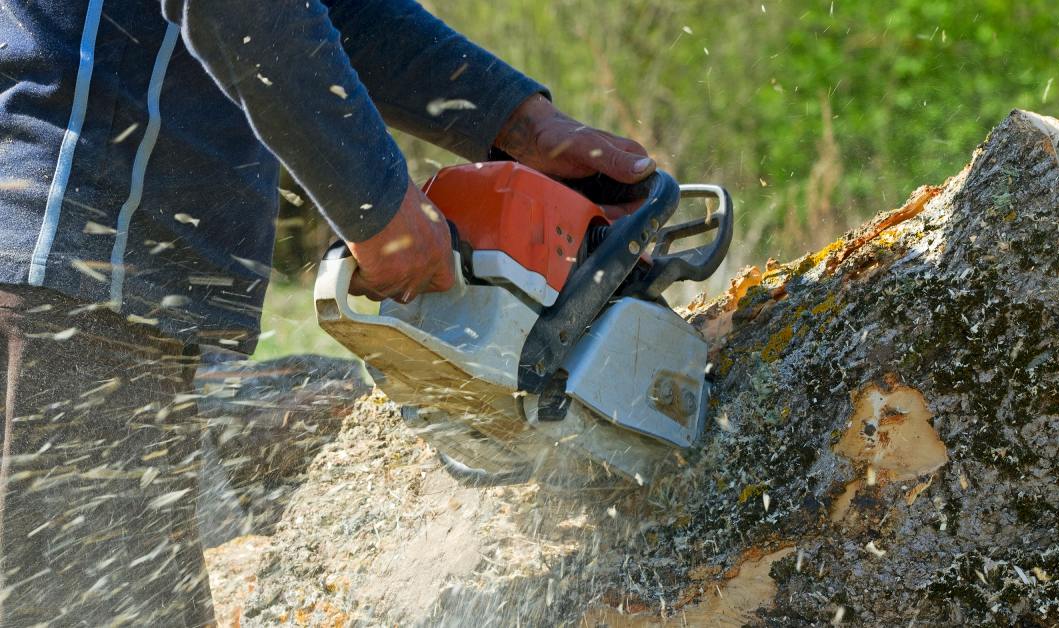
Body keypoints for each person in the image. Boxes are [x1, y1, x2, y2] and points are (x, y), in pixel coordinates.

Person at [0, 0, 654, 624]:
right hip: (65, 266)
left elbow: (330, 10)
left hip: (88, 283)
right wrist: (375, 202)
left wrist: (519, 125)